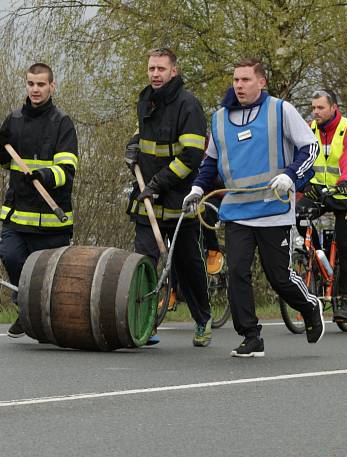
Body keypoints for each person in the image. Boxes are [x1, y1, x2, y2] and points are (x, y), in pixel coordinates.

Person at [183, 58, 324, 358]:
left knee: (279, 277)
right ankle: (250, 336)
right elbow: (210, 161)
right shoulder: (218, 119)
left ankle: (309, 307)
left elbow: (310, 148)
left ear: (261, 82)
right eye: (236, 80)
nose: (239, 85)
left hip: (273, 209)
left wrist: (291, 176)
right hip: (236, 211)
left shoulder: (280, 110)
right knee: (237, 273)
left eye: (246, 80)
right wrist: (197, 187)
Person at [124, 47, 212, 347]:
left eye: (161, 69)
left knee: (187, 265)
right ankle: (145, 324)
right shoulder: (145, 99)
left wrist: (159, 183)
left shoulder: (189, 106)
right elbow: (144, 134)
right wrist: (132, 146)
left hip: (178, 201)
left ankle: (203, 319)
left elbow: (191, 156)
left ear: (173, 71)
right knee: (143, 263)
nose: (155, 74)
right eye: (151, 69)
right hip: (147, 199)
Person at [0, 63, 78, 338]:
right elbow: (3, 161)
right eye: (31, 84)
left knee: (48, 280)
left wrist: (43, 174)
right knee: (10, 255)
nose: (35, 89)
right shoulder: (14, 119)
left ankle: (39, 319)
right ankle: (24, 308)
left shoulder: (62, 124)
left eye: (41, 84)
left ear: (52, 86)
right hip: (17, 216)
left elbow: (67, 170)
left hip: (52, 221)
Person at [300, 89, 347, 322]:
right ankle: (318, 257)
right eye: (313, 107)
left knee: (346, 244)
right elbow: (301, 157)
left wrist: (345, 181)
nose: (315, 112)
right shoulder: (310, 129)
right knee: (298, 217)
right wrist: (300, 181)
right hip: (320, 190)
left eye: (320, 108)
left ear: (333, 108)